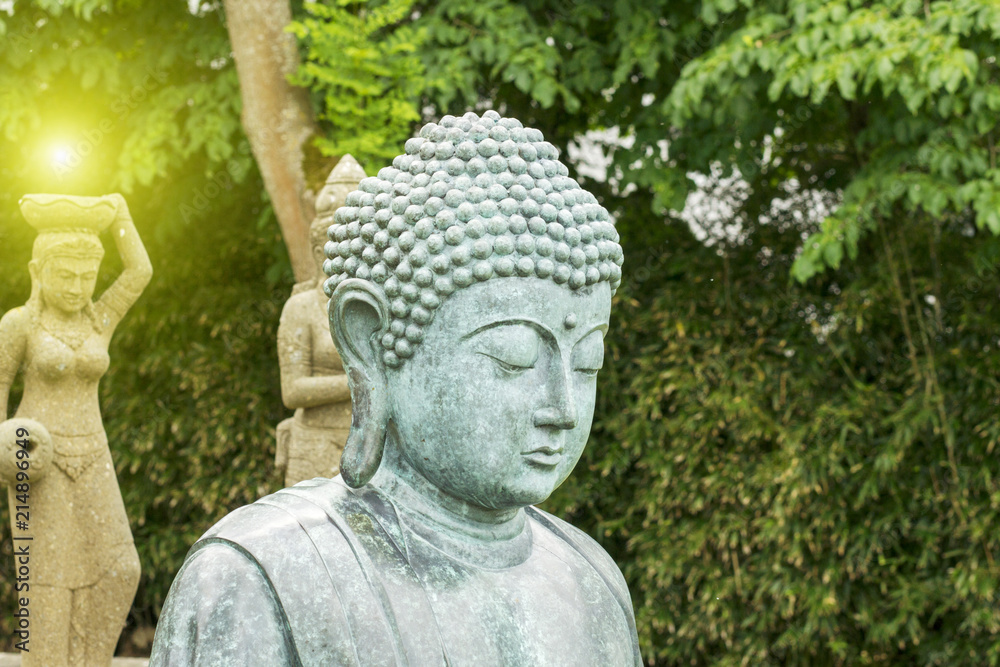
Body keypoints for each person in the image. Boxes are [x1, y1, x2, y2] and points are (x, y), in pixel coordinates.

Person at [150, 111, 640, 666]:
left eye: (587, 364)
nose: (563, 409)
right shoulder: (261, 578)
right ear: (370, 344)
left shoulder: (591, 578)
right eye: (513, 358)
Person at [0, 193, 151, 667]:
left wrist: (121, 212)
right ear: (37, 272)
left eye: (86, 277)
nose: (76, 286)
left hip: (93, 453)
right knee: (46, 579)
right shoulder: (19, 324)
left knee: (120, 570)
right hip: (37, 458)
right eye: (65, 275)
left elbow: (139, 273)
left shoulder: (99, 320)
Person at [275, 156, 365, 486]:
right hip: (314, 444)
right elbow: (293, 390)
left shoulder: (380, 309)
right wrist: (361, 381)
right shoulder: (301, 308)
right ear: (319, 253)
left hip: (373, 444)